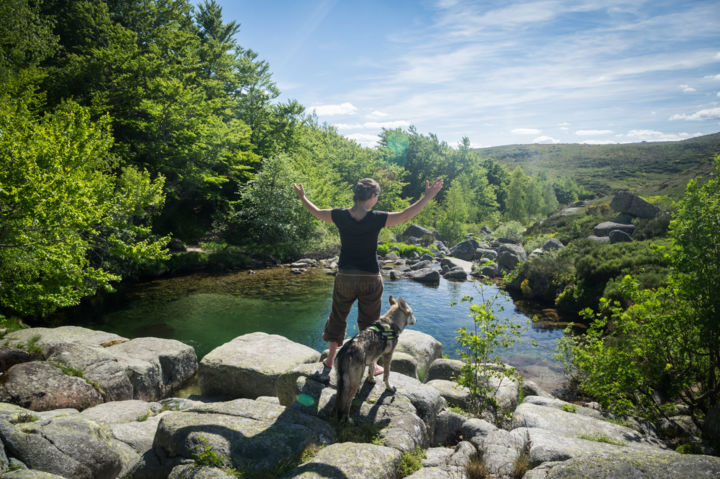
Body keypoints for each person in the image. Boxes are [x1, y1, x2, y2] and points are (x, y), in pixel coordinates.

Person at [293, 177, 443, 374]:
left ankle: (330, 359)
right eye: (377, 196)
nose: (377, 199)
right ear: (372, 196)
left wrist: (303, 198)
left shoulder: (340, 215)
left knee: (338, 316)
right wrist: (428, 196)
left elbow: (317, 213)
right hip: (370, 278)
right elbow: (406, 215)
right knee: (370, 322)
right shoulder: (376, 217)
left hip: (345, 276)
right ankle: (371, 366)